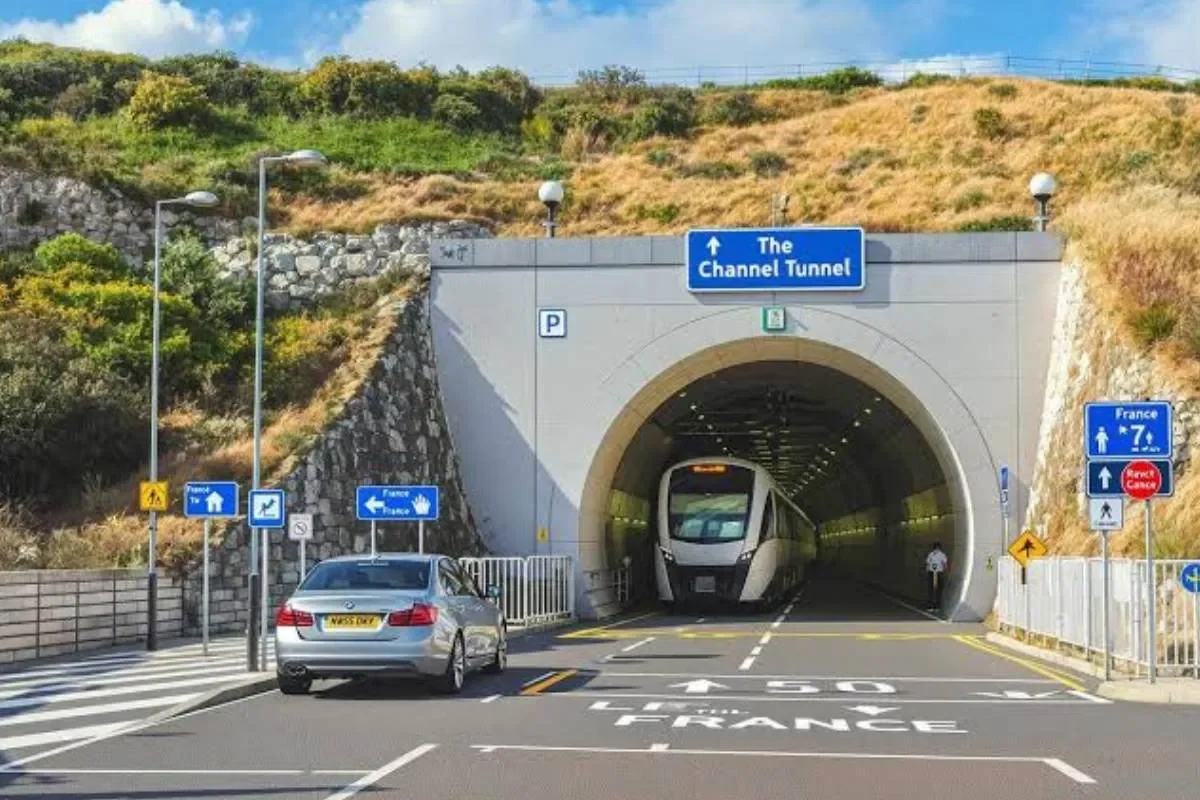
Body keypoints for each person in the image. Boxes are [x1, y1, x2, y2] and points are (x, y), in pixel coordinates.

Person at [925, 542, 949, 612]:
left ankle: (933, 606)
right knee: (935, 590)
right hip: (935, 573)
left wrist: (927, 571)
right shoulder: (938, 554)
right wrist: (946, 571)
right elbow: (944, 564)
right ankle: (934, 606)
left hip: (935, 573)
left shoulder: (934, 554)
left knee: (934, 590)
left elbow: (928, 564)